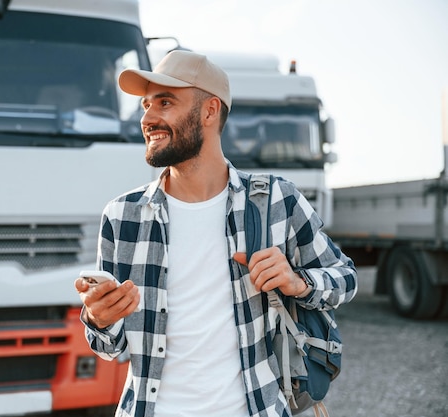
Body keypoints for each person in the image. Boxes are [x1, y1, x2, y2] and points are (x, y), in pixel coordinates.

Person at [74, 50, 357, 417]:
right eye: (145, 105)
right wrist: (100, 319)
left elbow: (346, 278)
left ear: (209, 110)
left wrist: (297, 282)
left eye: (165, 102)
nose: (147, 118)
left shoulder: (276, 200)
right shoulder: (123, 215)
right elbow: (112, 349)